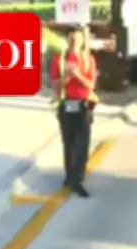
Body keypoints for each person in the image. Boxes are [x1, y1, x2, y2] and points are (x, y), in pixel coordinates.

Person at [49, 26, 98, 198]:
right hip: (65, 105)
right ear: (67, 40)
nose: (74, 42)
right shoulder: (59, 59)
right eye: (71, 39)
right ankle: (69, 177)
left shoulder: (87, 59)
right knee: (69, 143)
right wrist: (67, 77)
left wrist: (77, 74)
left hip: (83, 105)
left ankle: (78, 179)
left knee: (82, 144)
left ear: (82, 41)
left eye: (78, 39)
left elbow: (91, 85)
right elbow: (55, 85)